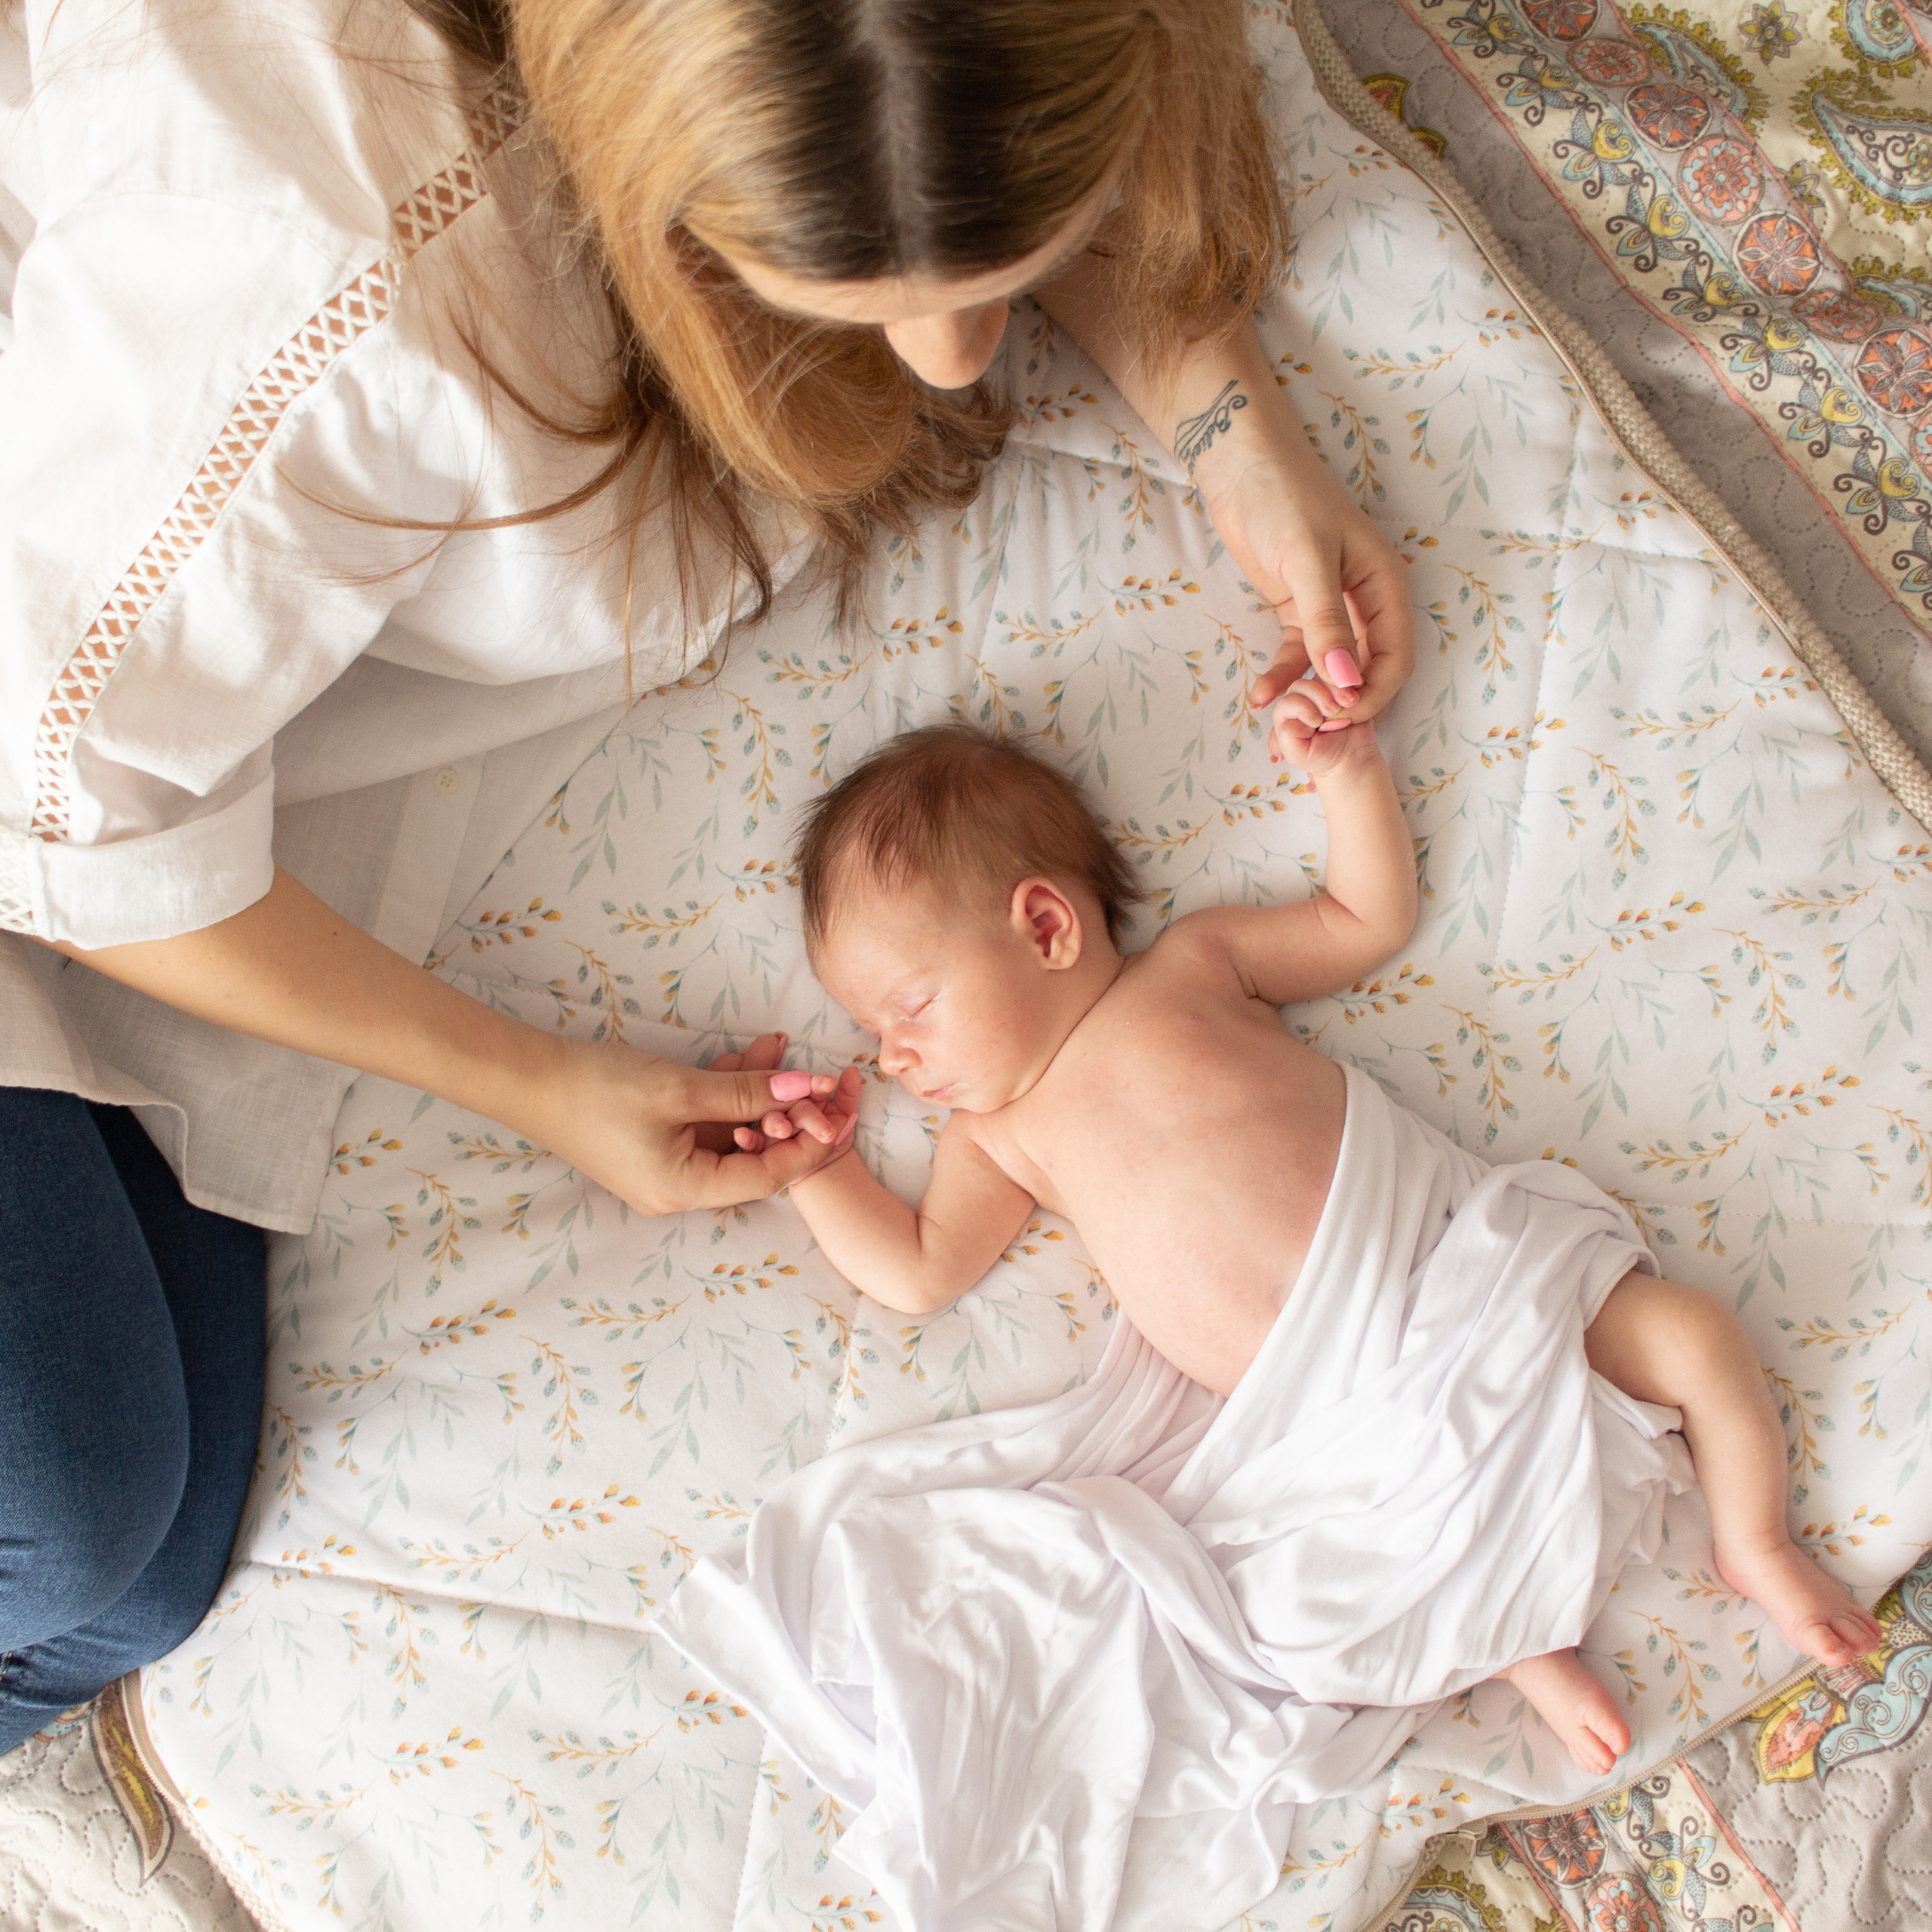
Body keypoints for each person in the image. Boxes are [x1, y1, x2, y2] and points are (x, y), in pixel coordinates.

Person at [0, 0, 1414, 1750]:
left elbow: (950, 133)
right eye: (869, 297)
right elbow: (59, 808)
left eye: (999, 274)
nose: (960, 364)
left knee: (143, 1581)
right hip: (37, 738)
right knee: (81, 1518)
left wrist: (1231, 438)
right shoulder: (332, 289)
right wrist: (539, 1086)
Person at [748, 718, 1884, 1777]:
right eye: (877, 1037)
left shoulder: (1195, 968)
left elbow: (1364, 918)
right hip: (1329, 1418)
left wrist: (1348, 776)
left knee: (1690, 1332)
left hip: (1466, 1278)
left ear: (1045, 926)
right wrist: (819, 1171)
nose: (894, 1058)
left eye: (911, 1010)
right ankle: (1512, 1644)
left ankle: (1755, 1541)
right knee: (1302, 1608)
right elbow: (917, 1271)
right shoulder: (999, 1137)